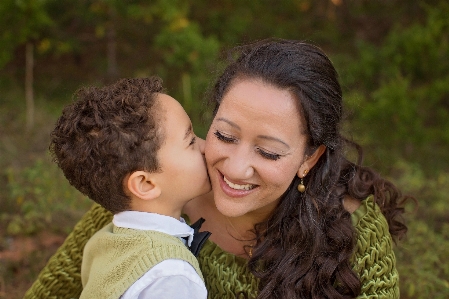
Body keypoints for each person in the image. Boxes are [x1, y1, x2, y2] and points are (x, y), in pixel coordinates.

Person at [24, 39, 409, 299]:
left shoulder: (356, 233)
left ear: (309, 158)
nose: (236, 167)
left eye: (269, 153)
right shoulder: (154, 200)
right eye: (224, 135)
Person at [47, 77, 211, 298]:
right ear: (145, 184)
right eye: (190, 141)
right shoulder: (171, 276)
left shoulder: (103, 242)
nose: (206, 146)